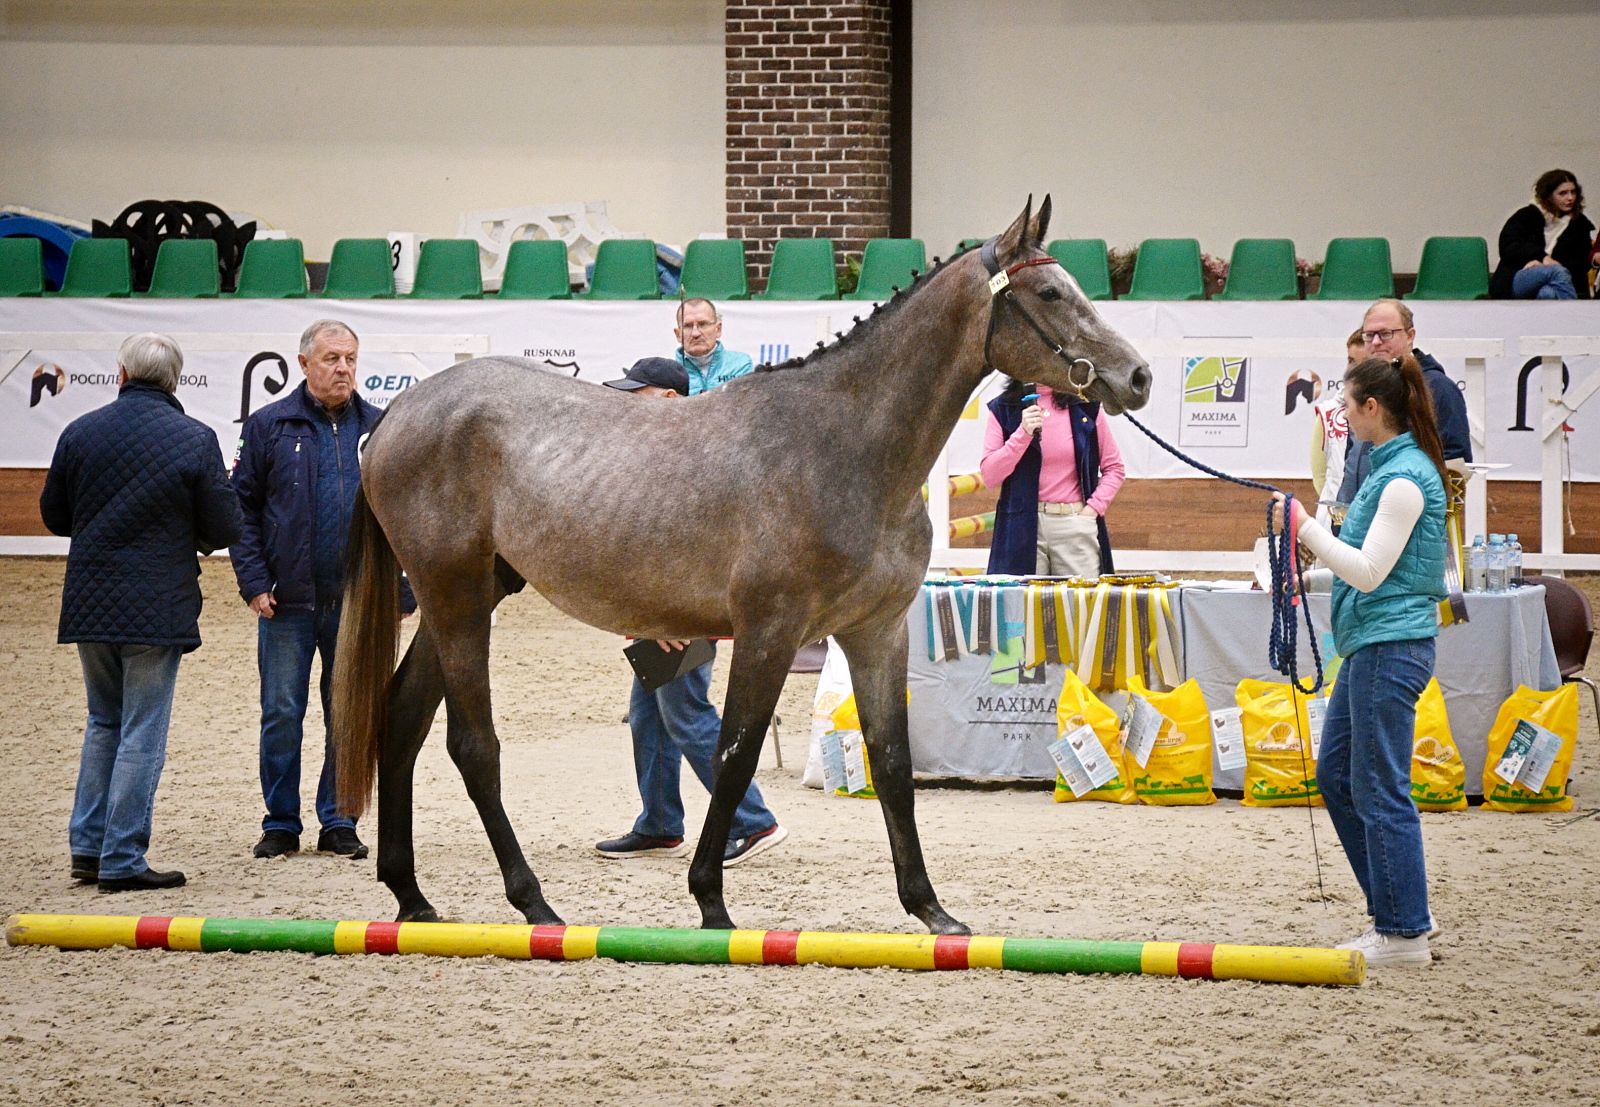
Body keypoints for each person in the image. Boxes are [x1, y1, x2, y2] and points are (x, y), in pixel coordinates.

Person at [40, 333, 241, 892]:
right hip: (158, 605)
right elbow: (225, 528)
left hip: (90, 599)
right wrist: (185, 533)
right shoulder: (196, 439)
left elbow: (55, 517)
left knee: (103, 721)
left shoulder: (79, 432)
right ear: (174, 381)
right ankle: (123, 857)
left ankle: (87, 845)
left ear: (120, 374)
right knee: (141, 732)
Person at [1272, 354, 1448, 968]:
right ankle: (1397, 913)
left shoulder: (1401, 481)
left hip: (1390, 645)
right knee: (1341, 775)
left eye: (1347, 406)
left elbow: (1370, 574)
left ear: (1373, 409)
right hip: (1374, 642)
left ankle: (1403, 931)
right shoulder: (1388, 471)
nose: (1342, 415)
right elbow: (1370, 568)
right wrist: (1309, 576)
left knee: (1378, 786)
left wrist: (1303, 528)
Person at [594, 352, 788, 866]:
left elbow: (694, 551)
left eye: (639, 394)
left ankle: (751, 821)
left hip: (682, 615)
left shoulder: (694, 461)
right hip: (666, 615)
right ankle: (659, 824)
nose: (627, 403)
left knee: (686, 715)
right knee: (650, 717)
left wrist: (669, 615)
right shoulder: (668, 455)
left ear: (671, 400)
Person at [232, 319, 407, 861]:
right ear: (304, 363)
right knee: (282, 711)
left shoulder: (382, 431)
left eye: (351, 359)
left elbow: (406, 519)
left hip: (357, 603)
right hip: (286, 602)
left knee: (349, 710)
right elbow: (239, 509)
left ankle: (339, 820)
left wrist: (401, 592)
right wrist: (255, 582)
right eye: (332, 358)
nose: (344, 369)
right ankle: (280, 823)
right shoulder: (267, 427)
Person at [980, 379, 1125, 577]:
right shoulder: (1003, 408)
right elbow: (990, 476)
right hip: (1021, 527)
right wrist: (1022, 434)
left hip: (1074, 524)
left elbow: (1114, 468)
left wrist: (1091, 510)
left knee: (1079, 606)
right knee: (1023, 606)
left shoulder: (1085, 406)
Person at [1336, 299, 1470, 504]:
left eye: (1386, 334)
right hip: (1357, 520)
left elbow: (1454, 466)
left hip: (1408, 524)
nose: (1376, 342)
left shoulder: (1439, 388)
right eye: (1369, 335)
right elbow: (1352, 460)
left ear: (1410, 336)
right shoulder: (1362, 388)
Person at [1490, 169, 1595, 300]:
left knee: (1547, 294)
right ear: (1549, 196)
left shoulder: (1579, 223)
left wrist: (1547, 265)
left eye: (1573, 192)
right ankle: (1576, 316)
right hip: (1520, 276)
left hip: (1559, 281)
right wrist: (1541, 258)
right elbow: (1509, 247)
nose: (1570, 198)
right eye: (1563, 193)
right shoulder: (1525, 216)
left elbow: (1581, 261)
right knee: (1556, 271)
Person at [1309, 331, 1363, 526]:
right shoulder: (1327, 413)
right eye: (1350, 360)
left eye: (1360, 363)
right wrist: (1337, 509)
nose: (1352, 369)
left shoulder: (1391, 411)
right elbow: (1320, 475)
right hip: (1333, 520)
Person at [672, 297, 754, 393]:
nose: (695, 333)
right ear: (678, 334)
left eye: (703, 324)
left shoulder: (740, 364)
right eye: (688, 326)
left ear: (718, 329)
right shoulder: (667, 374)